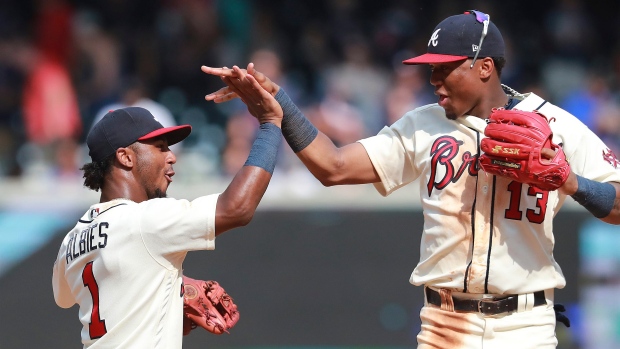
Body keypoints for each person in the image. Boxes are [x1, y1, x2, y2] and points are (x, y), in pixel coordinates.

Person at [201, 10, 620, 349]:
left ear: (485, 67)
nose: (433, 80)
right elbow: (333, 167)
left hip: (525, 327)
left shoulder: (556, 127)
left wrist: (571, 182)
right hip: (443, 325)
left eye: (445, 69)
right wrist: (281, 104)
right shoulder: (422, 125)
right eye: (430, 70)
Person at [52, 71, 283, 348]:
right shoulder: (145, 219)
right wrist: (270, 125)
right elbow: (236, 208)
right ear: (125, 157)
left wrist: (170, 290)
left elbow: (65, 297)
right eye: (160, 147)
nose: (172, 156)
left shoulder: (74, 238)